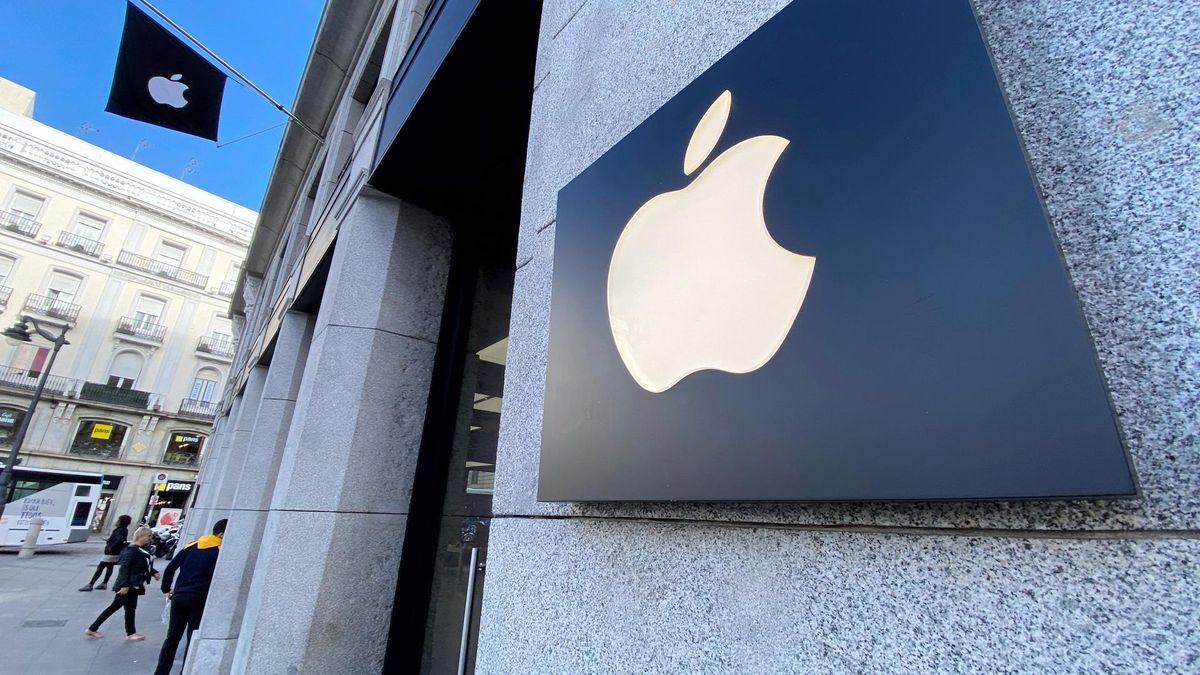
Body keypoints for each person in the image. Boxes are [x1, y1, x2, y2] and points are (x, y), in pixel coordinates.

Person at [153, 518, 226, 675]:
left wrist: (167, 589)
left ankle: (160, 672)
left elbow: (170, 568)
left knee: (172, 638)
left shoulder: (191, 546)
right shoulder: (219, 550)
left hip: (179, 596)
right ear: (221, 534)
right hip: (199, 597)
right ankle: (185, 671)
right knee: (192, 636)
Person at [84, 526, 158, 641]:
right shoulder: (132, 550)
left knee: (129, 608)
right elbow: (125, 568)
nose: (150, 539)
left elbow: (141, 566)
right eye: (149, 536)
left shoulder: (137, 550)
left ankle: (131, 633)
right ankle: (92, 628)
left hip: (133, 584)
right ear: (141, 536)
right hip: (128, 585)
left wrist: (153, 572)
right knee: (115, 607)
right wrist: (124, 586)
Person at [79, 514, 132, 592]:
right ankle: (104, 583)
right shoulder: (124, 529)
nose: (117, 521)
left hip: (111, 553)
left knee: (100, 567)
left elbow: (119, 540)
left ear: (121, 521)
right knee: (109, 567)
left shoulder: (120, 530)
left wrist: (111, 546)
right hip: (115, 552)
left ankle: (91, 584)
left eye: (118, 520)